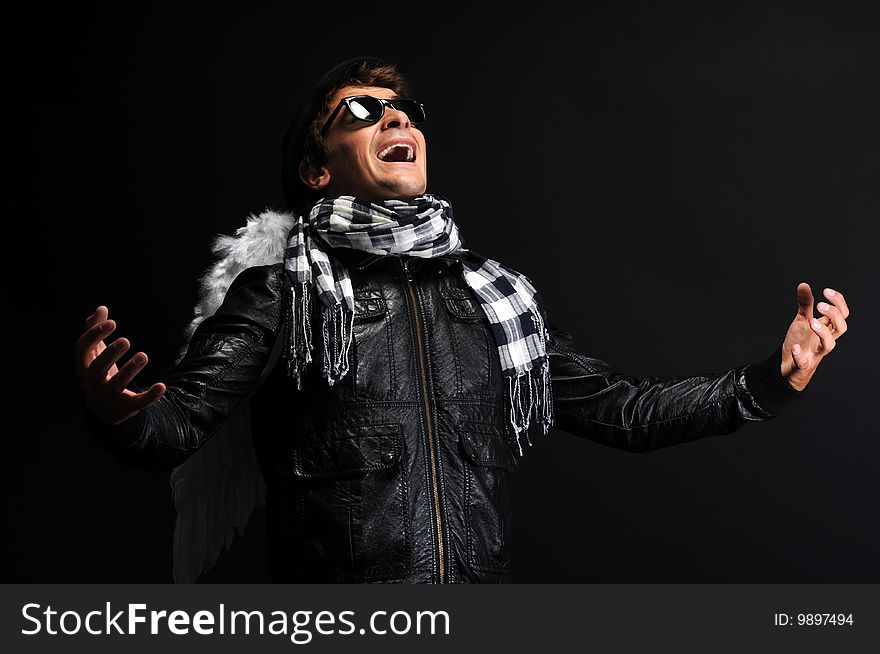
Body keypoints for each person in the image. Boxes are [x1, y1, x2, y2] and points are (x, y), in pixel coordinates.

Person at [75, 56, 850, 584]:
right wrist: (121, 413)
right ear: (317, 170)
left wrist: (770, 382)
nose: (395, 119)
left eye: (406, 110)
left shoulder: (491, 301)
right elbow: (174, 426)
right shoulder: (284, 292)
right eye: (361, 110)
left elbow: (627, 411)